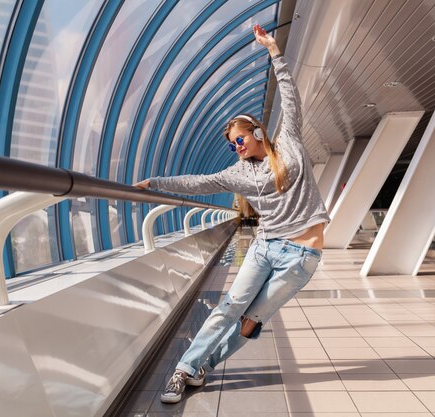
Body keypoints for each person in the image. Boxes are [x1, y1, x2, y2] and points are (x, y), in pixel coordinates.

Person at [135, 24, 330, 403]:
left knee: (250, 321)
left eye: (239, 139)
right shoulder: (237, 174)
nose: (236, 147)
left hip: (303, 256)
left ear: (257, 132)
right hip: (264, 247)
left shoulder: (289, 142)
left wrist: (273, 51)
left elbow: (290, 99)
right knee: (229, 309)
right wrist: (156, 181)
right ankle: (183, 370)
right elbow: (199, 183)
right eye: (231, 144)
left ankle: (203, 368)